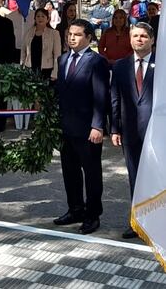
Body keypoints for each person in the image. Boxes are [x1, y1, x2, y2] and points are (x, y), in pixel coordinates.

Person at [53, 19, 109, 235]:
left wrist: (98, 125)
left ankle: (92, 214)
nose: (72, 38)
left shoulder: (97, 61)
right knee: (70, 171)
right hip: (66, 128)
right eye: (70, 34)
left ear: (88, 37)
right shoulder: (63, 59)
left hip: (88, 129)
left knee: (92, 173)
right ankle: (75, 209)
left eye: (77, 34)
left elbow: (100, 96)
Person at [111, 22, 156, 239]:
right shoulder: (120, 66)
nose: (139, 39)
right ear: (130, 39)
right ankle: (137, 223)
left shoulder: (163, 64)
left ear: (152, 40)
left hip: (157, 133)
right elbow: (115, 99)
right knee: (135, 178)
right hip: (129, 132)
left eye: (144, 36)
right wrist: (114, 129)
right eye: (135, 36)